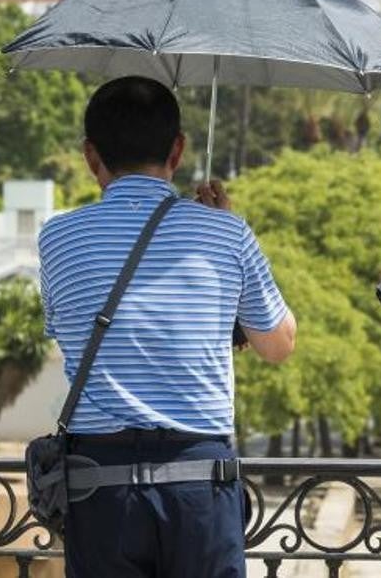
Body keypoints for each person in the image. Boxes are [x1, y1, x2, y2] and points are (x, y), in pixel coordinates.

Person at [37, 76, 297, 577]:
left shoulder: (58, 237)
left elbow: (65, 328)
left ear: (92, 156)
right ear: (177, 149)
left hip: (99, 489)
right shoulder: (226, 232)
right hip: (200, 487)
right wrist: (223, 233)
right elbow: (278, 344)